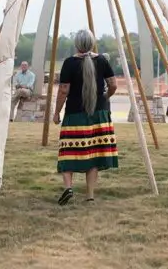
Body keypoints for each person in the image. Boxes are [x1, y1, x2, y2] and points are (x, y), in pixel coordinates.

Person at [52, 29, 119, 206]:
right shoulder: (102, 61)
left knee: (68, 151)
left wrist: (56, 112)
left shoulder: (69, 63)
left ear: (76, 44)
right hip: (99, 114)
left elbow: (63, 90)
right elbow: (113, 85)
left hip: (75, 114)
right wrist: (105, 97)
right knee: (94, 153)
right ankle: (90, 195)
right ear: (92, 43)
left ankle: (68, 188)